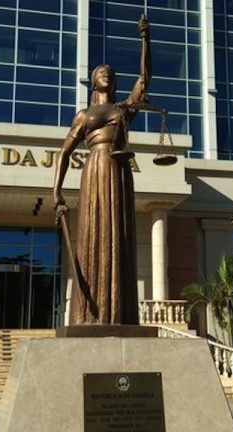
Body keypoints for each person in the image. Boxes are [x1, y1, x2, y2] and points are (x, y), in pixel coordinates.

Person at [53, 14, 151, 325]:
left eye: (109, 73)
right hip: (95, 169)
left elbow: (144, 79)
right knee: (94, 233)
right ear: (93, 82)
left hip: (118, 168)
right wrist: (56, 191)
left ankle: (118, 312)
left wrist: (145, 40)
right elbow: (65, 152)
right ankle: (89, 314)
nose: (106, 74)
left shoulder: (124, 108)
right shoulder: (84, 114)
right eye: (100, 72)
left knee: (118, 235)